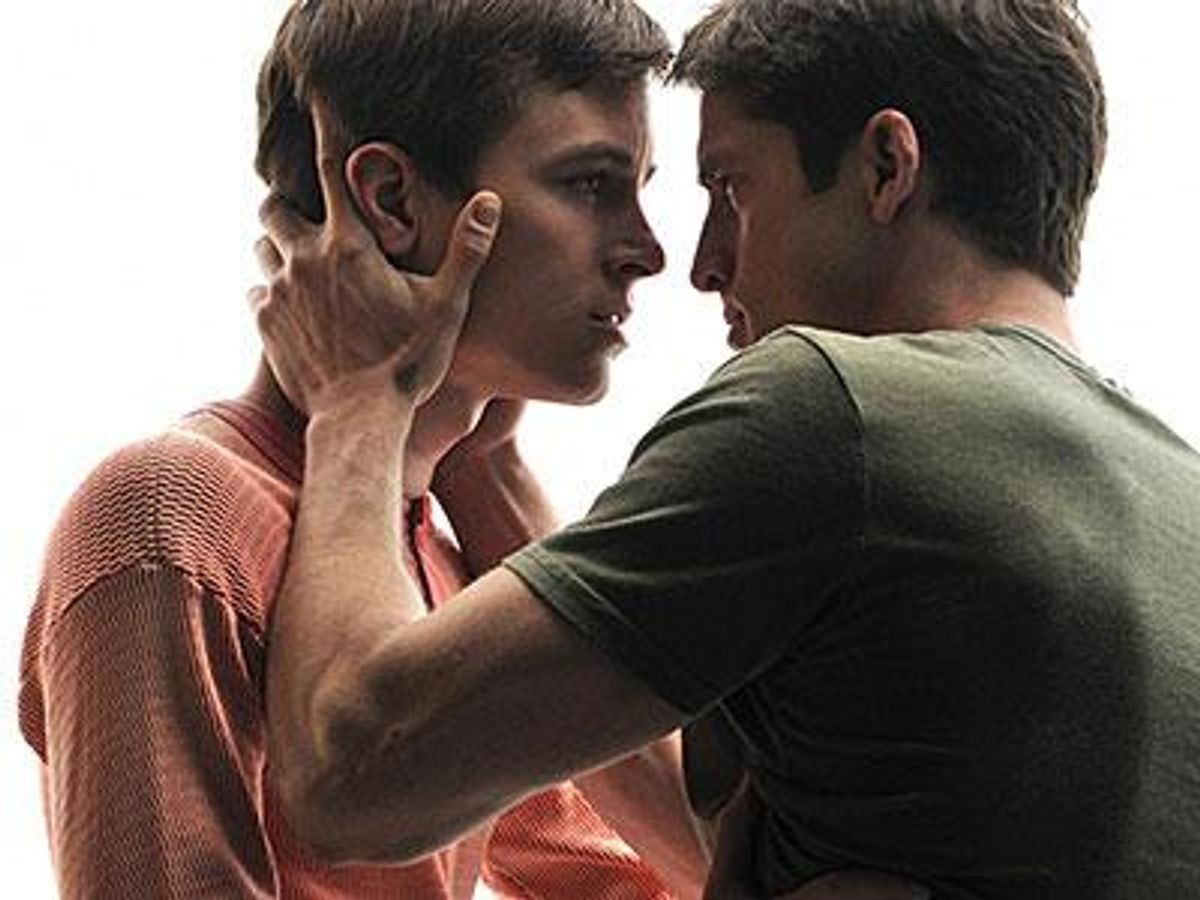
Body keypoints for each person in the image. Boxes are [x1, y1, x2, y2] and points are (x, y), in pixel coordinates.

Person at [250, 0, 1200, 897]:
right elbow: (694, 826)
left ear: (886, 168)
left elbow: (348, 772)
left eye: (732, 189)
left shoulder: (830, 411)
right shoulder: (1178, 505)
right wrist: (479, 463)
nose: (702, 265)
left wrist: (359, 397)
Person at [17, 1, 720, 897]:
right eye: (589, 183)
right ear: (391, 201)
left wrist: (482, 471)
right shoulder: (170, 513)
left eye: (641, 188)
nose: (647, 252)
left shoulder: (427, 555)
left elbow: (673, 880)